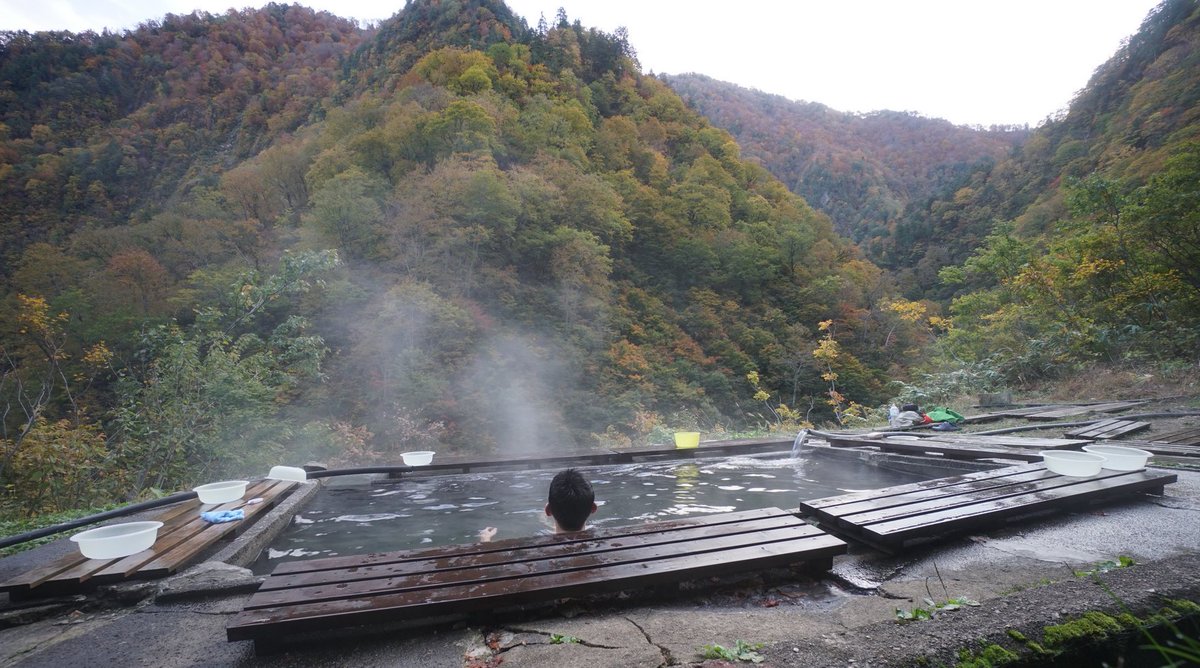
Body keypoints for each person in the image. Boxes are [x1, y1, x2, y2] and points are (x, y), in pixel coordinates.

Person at [479, 468, 596, 542]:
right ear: (593, 508)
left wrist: (485, 540)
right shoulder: (601, 541)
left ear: (548, 510)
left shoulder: (536, 548)